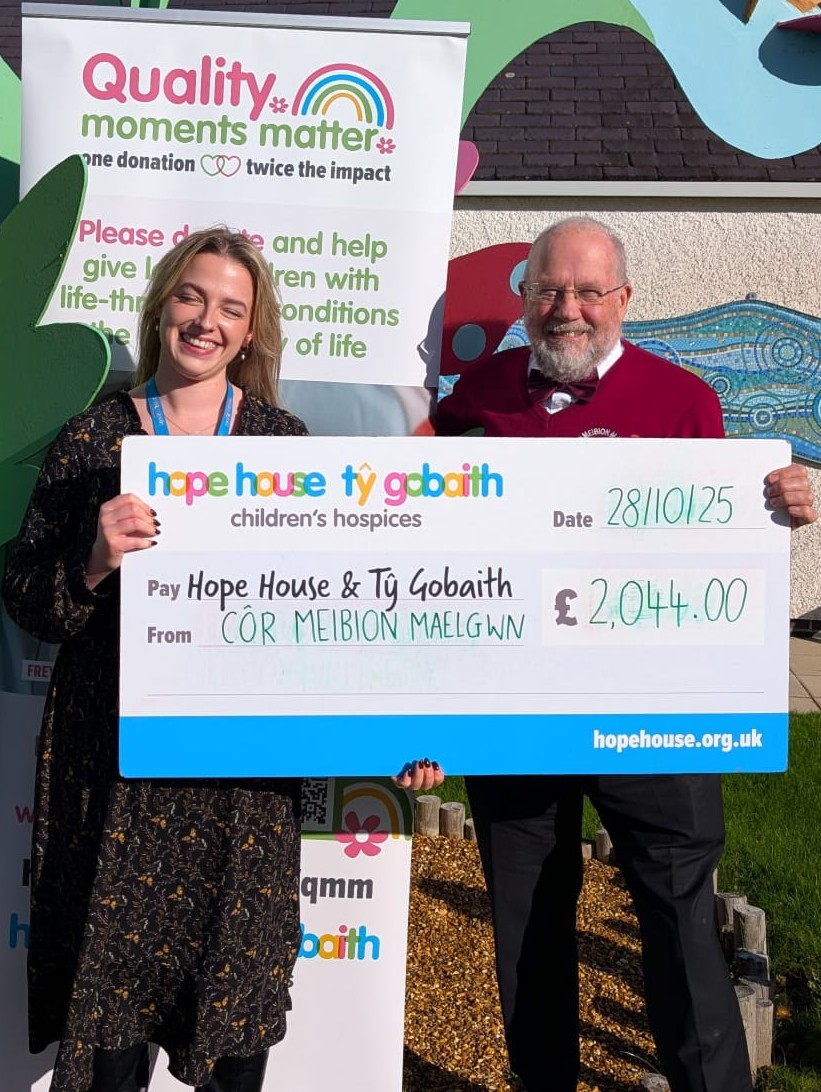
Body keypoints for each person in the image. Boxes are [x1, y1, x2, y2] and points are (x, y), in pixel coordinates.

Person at [2, 226, 441, 1092]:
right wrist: (93, 560)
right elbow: (26, 596)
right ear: (162, 306)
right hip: (115, 778)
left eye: (230, 308)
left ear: (251, 332)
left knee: (233, 1029)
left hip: (241, 788)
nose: (206, 320)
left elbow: (340, 614)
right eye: (192, 298)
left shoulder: (284, 446)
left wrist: (401, 734)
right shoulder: (92, 440)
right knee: (109, 1046)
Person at [434, 217, 816, 1092]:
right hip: (518, 704)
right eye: (547, 291)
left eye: (586, 292)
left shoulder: (684, 401)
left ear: (623, 302)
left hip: (655, 703)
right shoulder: (472, 398)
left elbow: (719, 543)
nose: (566, 309)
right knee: (527, 923)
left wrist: (776, 503)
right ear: (524, 299)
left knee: (680, 916)